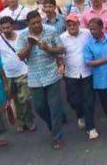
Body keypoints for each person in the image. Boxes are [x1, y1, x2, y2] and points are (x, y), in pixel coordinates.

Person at [16, 10, 65, 150]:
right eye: (34, 23)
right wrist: (30, 45)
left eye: (39, 22)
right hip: (34, 78)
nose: (38, 25)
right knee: (40, 108)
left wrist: (48, 48)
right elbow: (20, 56)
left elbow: (62, 49)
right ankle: (53, 127)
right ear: (28, 24)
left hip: (52, 74)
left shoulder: (51, 30)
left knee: (55, 107)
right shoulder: (23, 35)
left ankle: (58, 137)